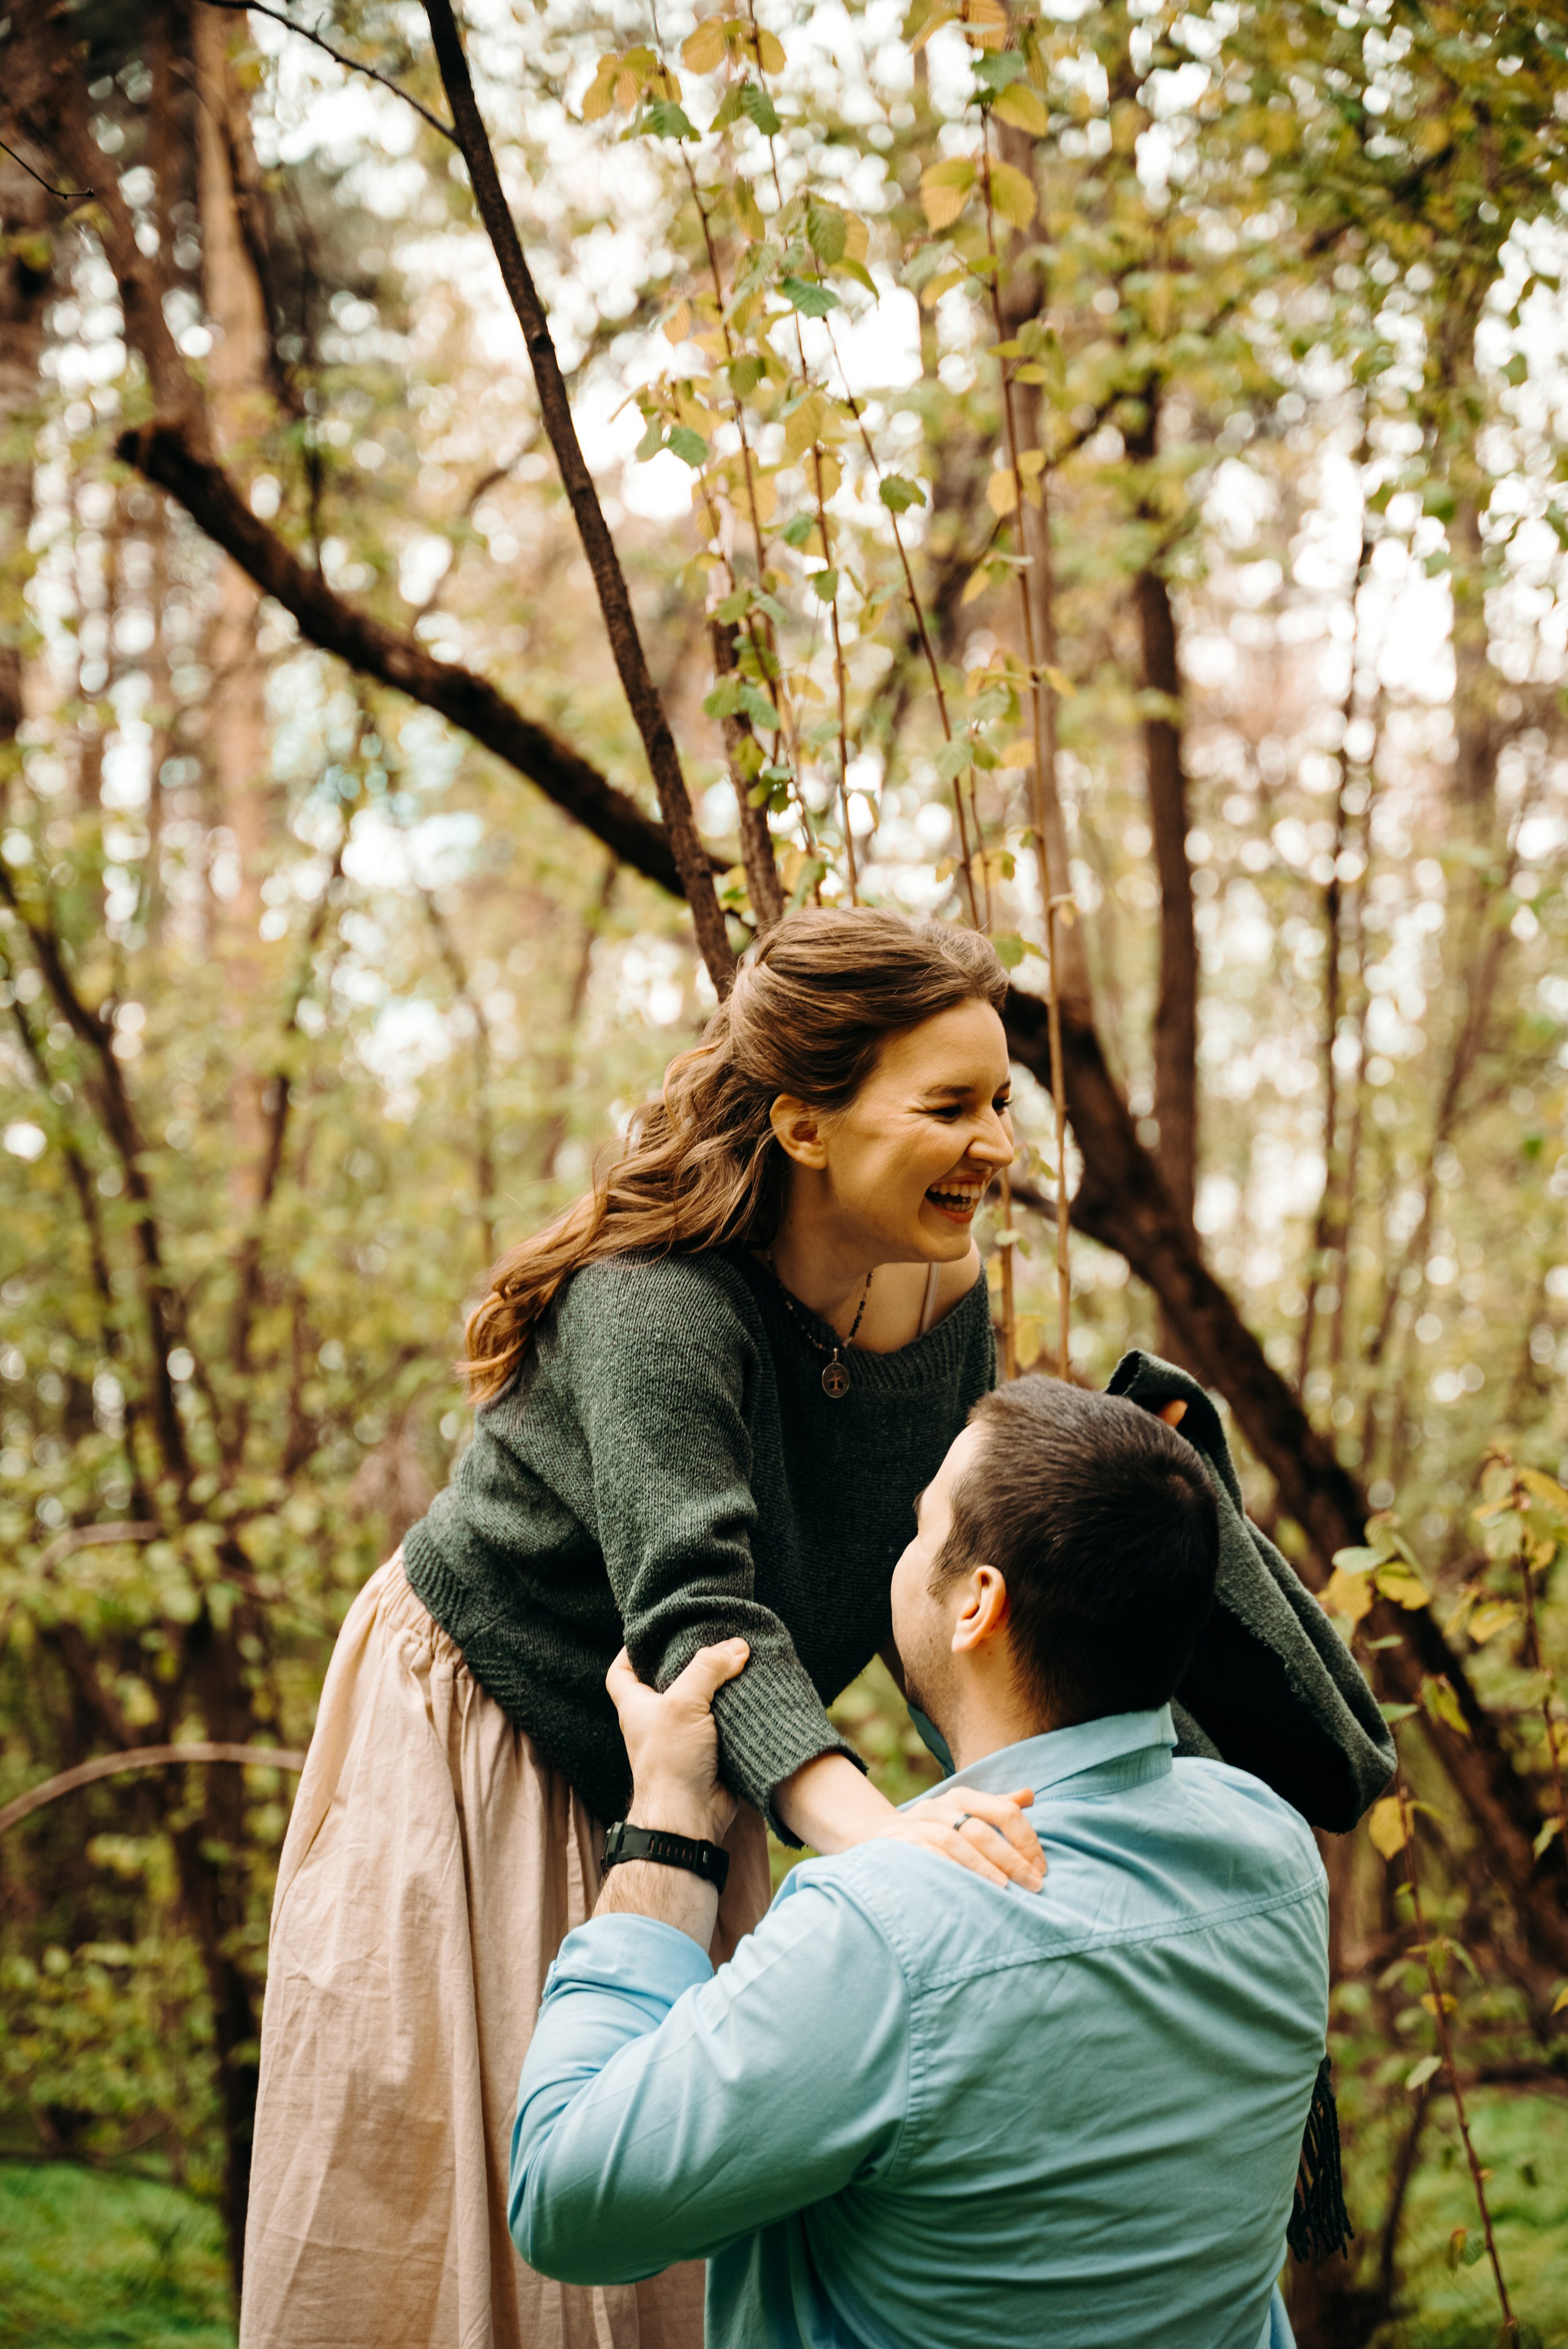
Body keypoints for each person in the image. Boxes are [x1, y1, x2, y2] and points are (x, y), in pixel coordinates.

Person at [241, 907, 1388, 2348]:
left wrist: (1057, 1798)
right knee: (477, 2222)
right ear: (803, 1125)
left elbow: (950, 1610)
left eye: (999, 1104)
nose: (994, 1146)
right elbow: (698, 1612)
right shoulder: (650, 1304)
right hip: (504, 1728)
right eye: (948, 1106)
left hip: (705, 1761)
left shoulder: (940, 1301)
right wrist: (880, 1842)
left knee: (691, 2200)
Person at [511, 1378, 1327, 2349]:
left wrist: (667, 1820)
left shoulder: (886, 1936)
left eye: (920, 1526)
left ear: (978, 1604)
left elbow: (564, 2201)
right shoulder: (1274, 1852)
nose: (901, 1558)